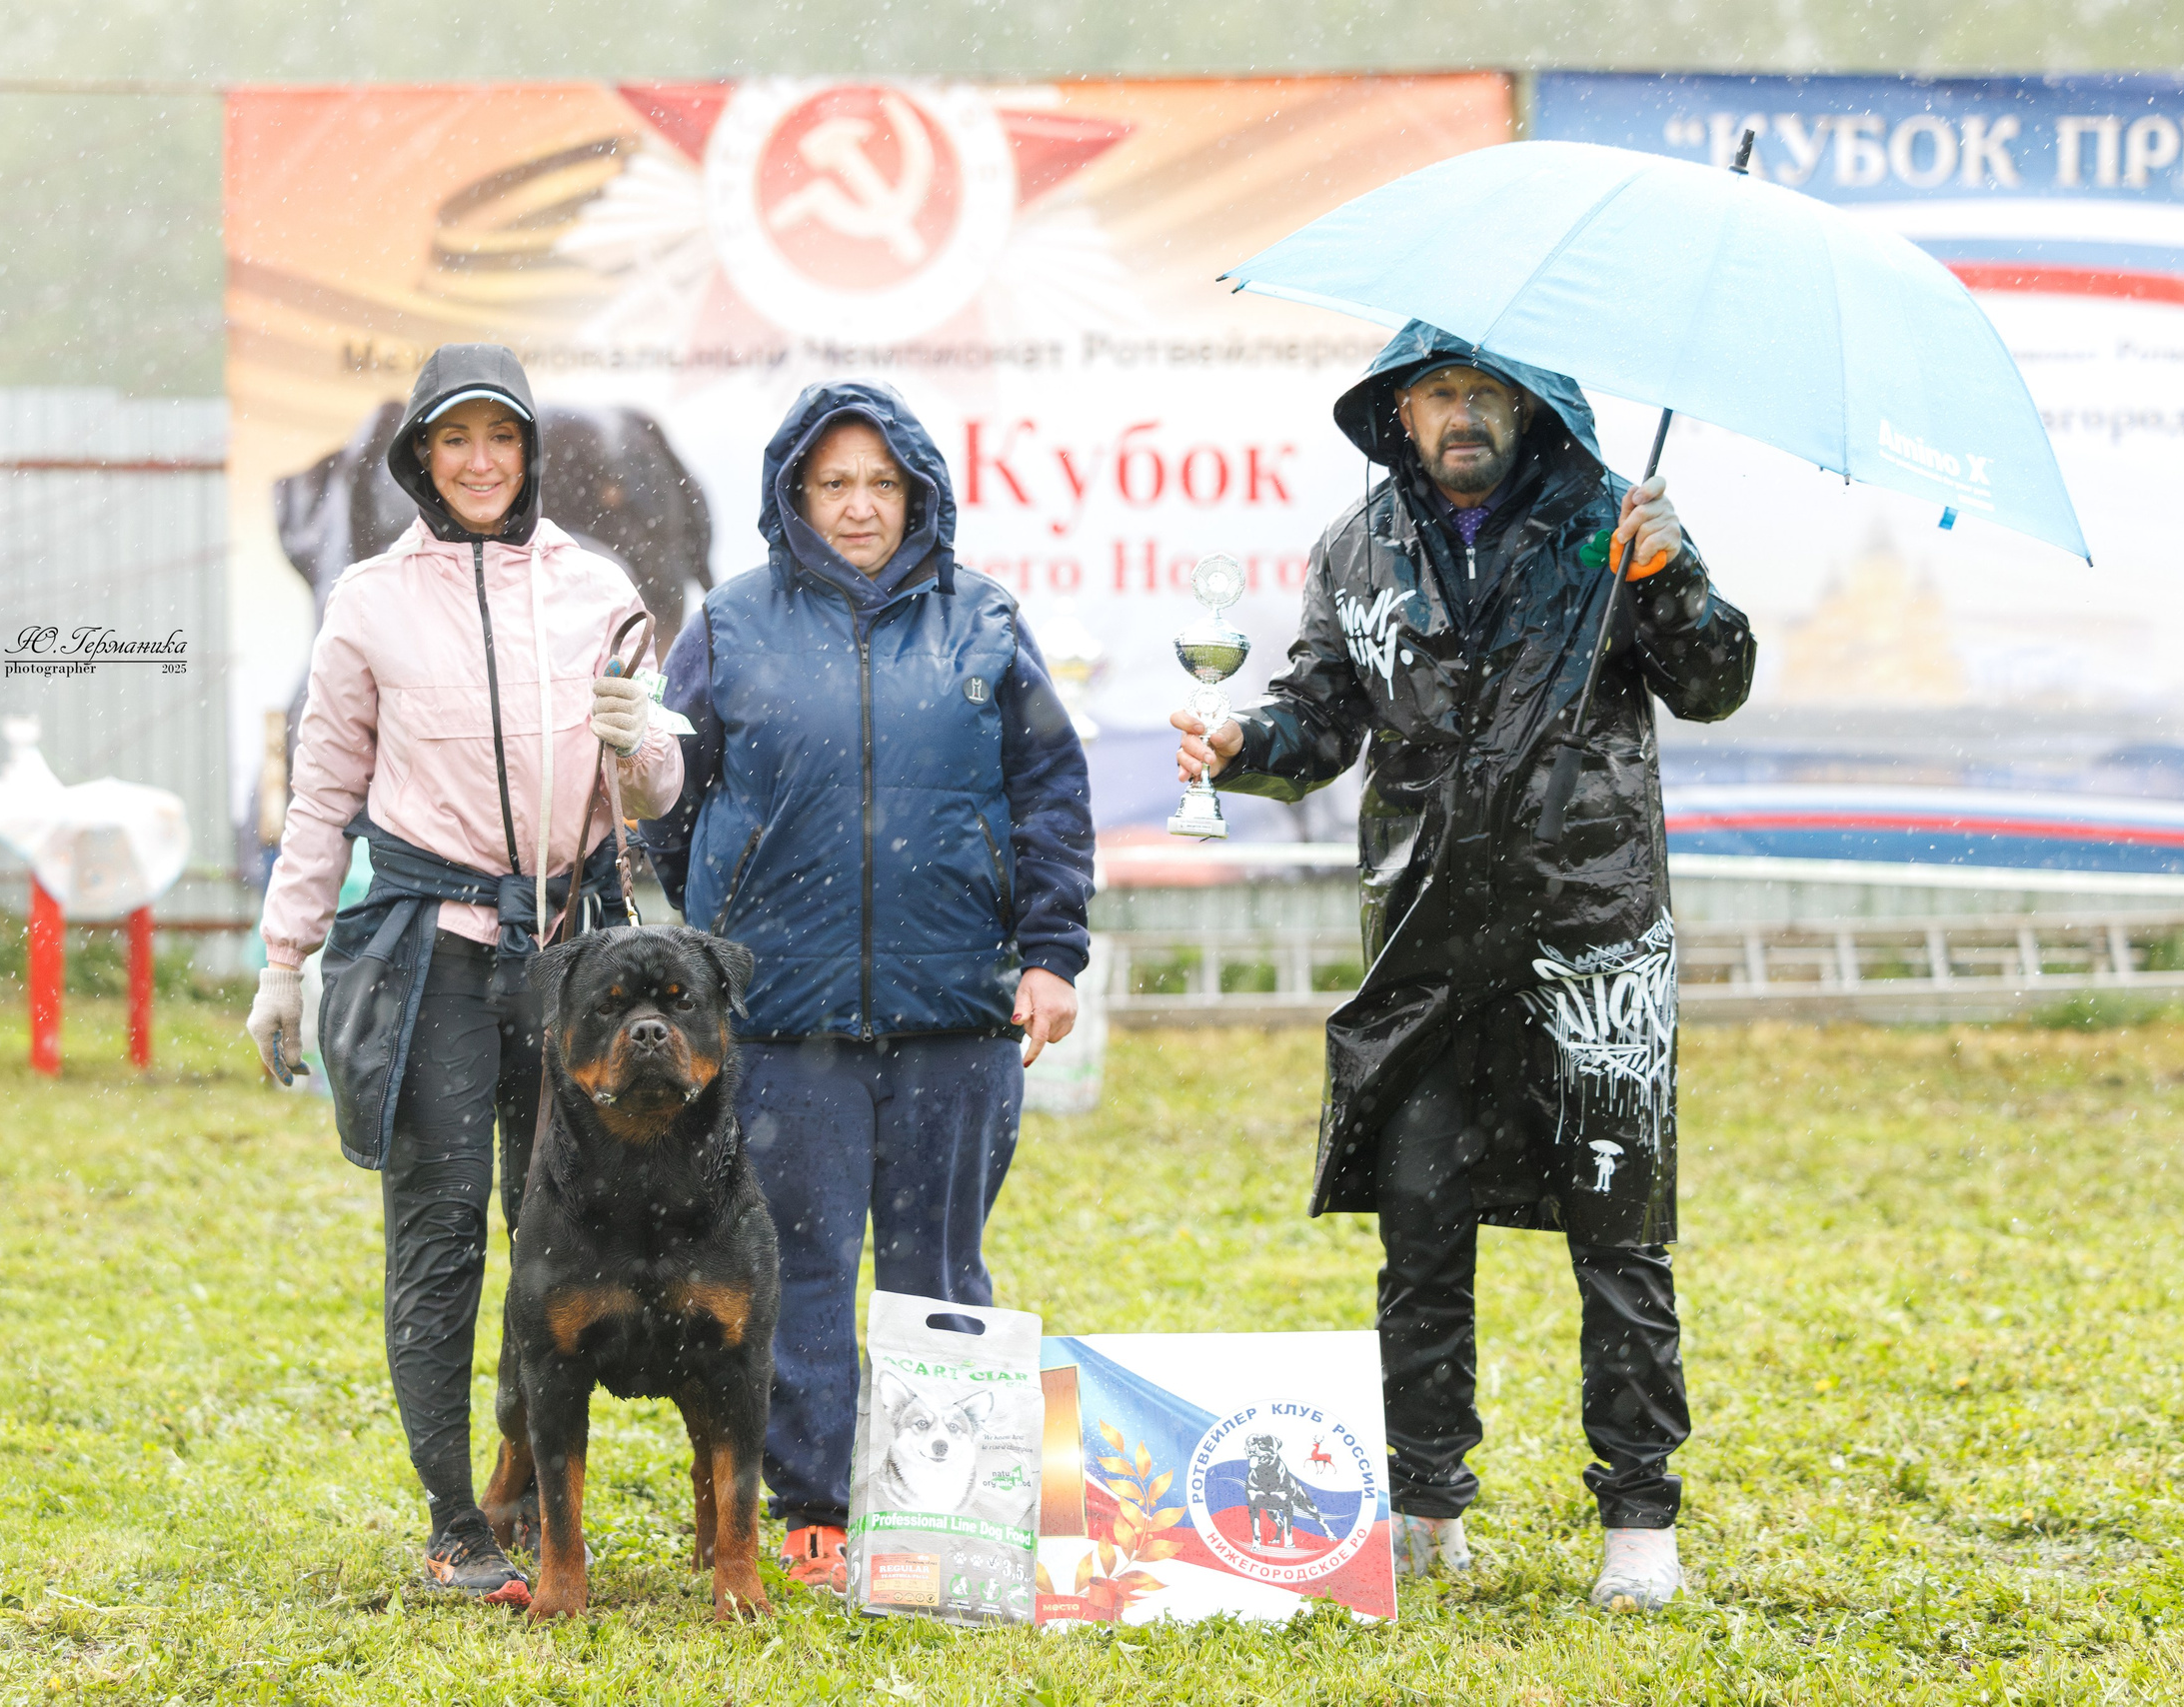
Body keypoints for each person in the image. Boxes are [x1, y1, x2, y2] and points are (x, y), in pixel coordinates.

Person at [1172, 322, 1755, 1612]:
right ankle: (1428, 1502)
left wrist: (1676, 585)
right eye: (1440, 392)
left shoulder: (1619, 521)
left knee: (1622, 1236)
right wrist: (1241, 737)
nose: (1464, 414)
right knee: (1421, 1231)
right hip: (1425, 941)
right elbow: (1321, 717)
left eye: (1488, 391)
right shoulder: (1357, 546)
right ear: (1402, 410)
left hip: (1591, 933)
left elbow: (1714, 684)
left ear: (1535, 406)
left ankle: (1640, 1519)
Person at [641, 381, 1094, 1592]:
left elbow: (1049, 792)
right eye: (832, 483)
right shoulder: (729, 627)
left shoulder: (986, 621)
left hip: (957, 1010)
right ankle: (817, 1503)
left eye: (879, 483)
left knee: (939, 1268)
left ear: (919, 494)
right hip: (781, 1024)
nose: (857, 506)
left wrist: (1049, 954)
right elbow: (669, 806)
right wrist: (726, 933)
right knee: (794, 1262)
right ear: (794, 494)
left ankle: (946, 1515)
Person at [245, 345, 682, 1596]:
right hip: (432, 951)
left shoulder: (599, 587)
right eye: (456, 442)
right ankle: (454, 1519)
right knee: (439, 1234)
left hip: (572, 956)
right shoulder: (369, 603)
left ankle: (530, 1481)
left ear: (533, 453)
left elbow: (652, 787)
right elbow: (321, 793)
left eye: (503, 439)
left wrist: (639, 741)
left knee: (555, 1233)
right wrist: (287, 960)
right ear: (420, 460)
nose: (482, 462)